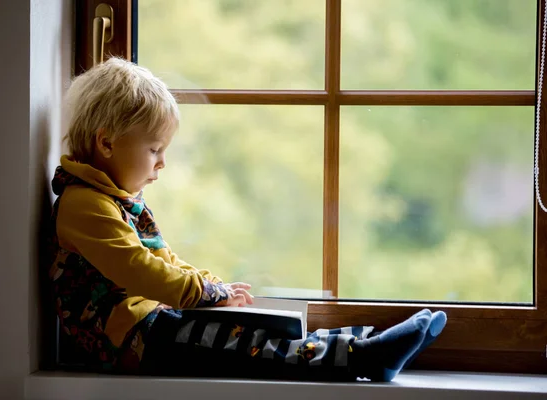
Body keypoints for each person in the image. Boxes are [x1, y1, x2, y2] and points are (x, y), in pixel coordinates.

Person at [47, 57, 447, 382]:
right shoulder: (85, 205)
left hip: (150, 322)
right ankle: (363, 358)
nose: (162, 163)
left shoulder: (115, 201)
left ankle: (363, 341)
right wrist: (207, 295)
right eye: (154, 150)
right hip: (130, 340)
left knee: (258, 329)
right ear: (105, 142)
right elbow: (143, 272)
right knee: (244, 345)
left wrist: (213, 287)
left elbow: (164, 259)